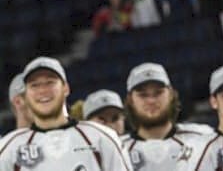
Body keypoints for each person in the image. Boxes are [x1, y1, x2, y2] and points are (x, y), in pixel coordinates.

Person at [0, 57, 132, 170]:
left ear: (66, 88)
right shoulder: (8, 148)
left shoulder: (102, 137)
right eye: (34, 85)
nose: (43, 91)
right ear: (26, 95)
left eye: (50, 83)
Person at [121, 63, 212, 170]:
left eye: (158, 93)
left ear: (171, 94)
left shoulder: (203, 138)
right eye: (143, 95)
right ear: (130, 100)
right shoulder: (117, 149)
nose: (151, 101)